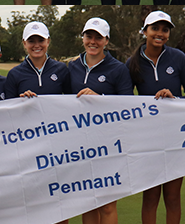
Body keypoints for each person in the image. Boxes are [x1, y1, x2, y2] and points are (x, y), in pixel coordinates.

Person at [126, 10, 185, 224]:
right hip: (148, 139)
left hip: (176, 137)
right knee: (150, 197)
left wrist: (174, 98)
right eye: (155, 28)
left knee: (173, 197)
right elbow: (126, 101)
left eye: (165, 30)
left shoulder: (178, 58)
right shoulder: (132, 62)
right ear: (144, 31)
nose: (160, 33)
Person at [68, 17, 132, 224]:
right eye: (89, 36)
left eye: (98, 37)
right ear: (83, 38)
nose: (92, 41)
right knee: (87, 201)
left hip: (108, 144)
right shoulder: (72, 67)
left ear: (106, 41)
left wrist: (100, 100)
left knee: (107, 203)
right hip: (78, 144)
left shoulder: (118, 69)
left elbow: (127, 106)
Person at [4, 21, 71, 99]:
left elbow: (71, 100)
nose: (36, 45)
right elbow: (10, 106)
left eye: (41, 40)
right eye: (31, 41)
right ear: (24, 43)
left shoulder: (61, 69)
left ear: (48, 41)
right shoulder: (14, 74)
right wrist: (21, 100)